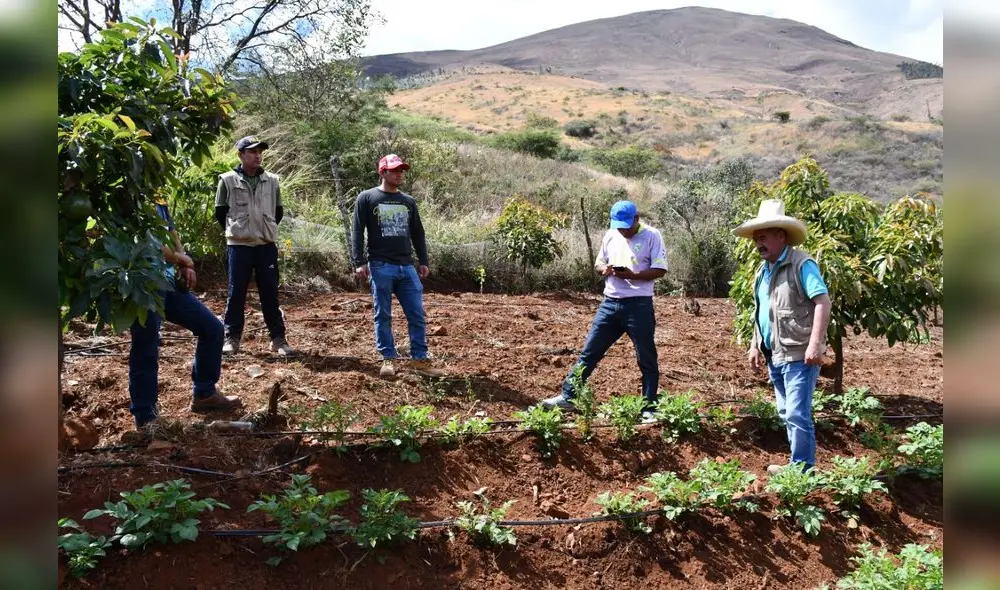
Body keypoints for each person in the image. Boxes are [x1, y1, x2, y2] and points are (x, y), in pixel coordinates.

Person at [541, 200, 667, 420]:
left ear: (637, 219)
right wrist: (605, 269)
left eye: (626, 226)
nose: (622, 230)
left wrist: (632, 275)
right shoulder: (611, 234)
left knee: (646, 357)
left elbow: (660, 269)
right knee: (590, 352)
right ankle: (568, 397)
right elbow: (599, 263)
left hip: (639, 305)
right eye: (619, 226)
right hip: (609, 304)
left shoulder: (652, 235)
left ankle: (649, 407)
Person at [733, 199, 832, 475]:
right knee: (785, 411)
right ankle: (797, 466)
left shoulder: (802, 264)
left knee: (797, 413)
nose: (758, 244)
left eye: (763, 237)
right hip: (774, 353)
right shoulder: (762, 272)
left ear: (781, 236)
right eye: (756, 238)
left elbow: (823, 302)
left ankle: (802, 469)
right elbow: (761, 310)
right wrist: (755, 344)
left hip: (799, 352)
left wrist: (815, 344)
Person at [128, 199, 242, 429]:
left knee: (212, 328)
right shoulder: (131, 191)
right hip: (144, 283)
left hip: (168, 281)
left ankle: (204, 393)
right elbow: (150, 244)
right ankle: (145, 417)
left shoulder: (157, 193)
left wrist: (184, 263)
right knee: (146, 346)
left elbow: (170, 232)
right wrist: (181, 259)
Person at [352, 154, 444, 378]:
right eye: (394, 170)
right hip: (380, 264)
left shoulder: (408, 201)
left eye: (401, 170)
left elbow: (417, 233)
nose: (399, 173)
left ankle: (419, 360)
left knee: (416, 313)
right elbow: (357, 230)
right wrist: (359, 262)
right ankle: (388, 358)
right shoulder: (367, 198)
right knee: (383, 314)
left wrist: (423, 260)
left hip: (406, 266)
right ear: (382, 172)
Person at [214, 135, 294, 356]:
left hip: (266, 245)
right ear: (241, 155)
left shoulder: (272, 180)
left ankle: (278, 339)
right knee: (236, 293)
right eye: (252, 151)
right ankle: (231, 339)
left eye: (260, 151)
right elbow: (220, 213)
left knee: (270, 293)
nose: (257, 155)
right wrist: (240, 232)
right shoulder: (227, 180)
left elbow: (278, 212)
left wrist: (262, 231)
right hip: (239, 247)